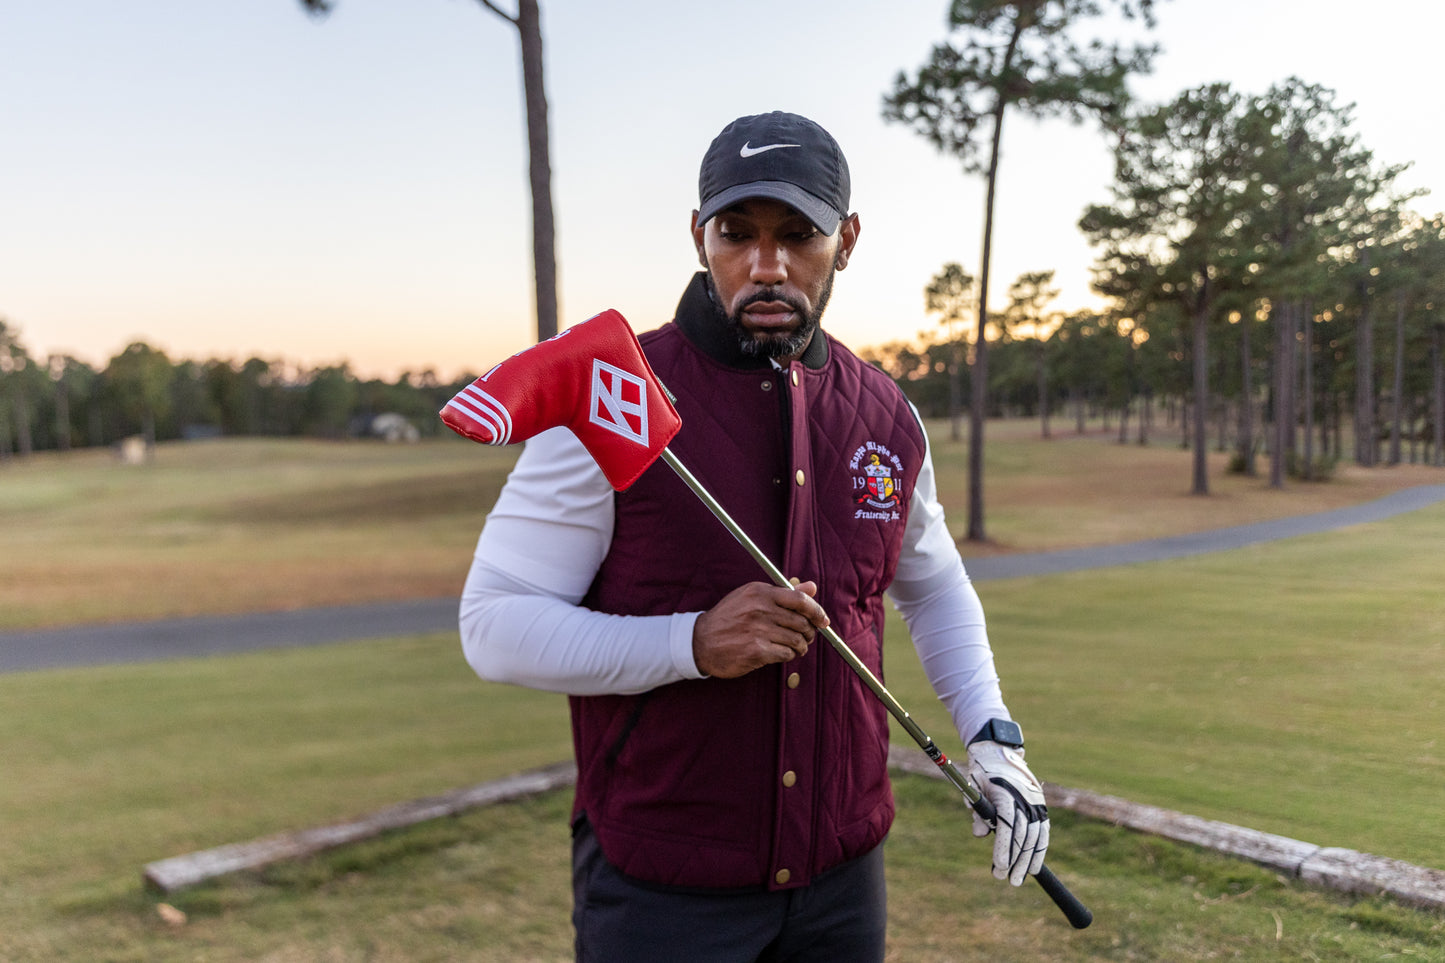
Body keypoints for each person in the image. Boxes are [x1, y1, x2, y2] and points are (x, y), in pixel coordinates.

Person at [459, 110, 1051, 963]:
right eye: (736, 233)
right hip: (665, 890)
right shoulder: (609, 402)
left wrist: (993, 738)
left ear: (845, 239)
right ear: (699, 236)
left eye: (798, 234)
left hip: (842, 876)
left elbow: (931, 584)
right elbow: (493, 627)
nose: (765, 265)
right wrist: (691, 641)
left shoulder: (884, 411)